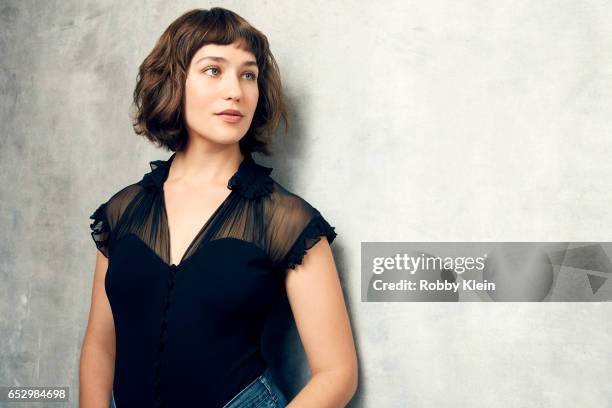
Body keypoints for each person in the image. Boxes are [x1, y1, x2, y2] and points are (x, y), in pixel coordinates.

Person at [79, 7, 358, 408]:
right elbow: (100, 345)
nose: (236, 91)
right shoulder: (122, 212)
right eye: (214, 70)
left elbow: (337, 373)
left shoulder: (287, 220)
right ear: (175, 81)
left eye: (248, 74)